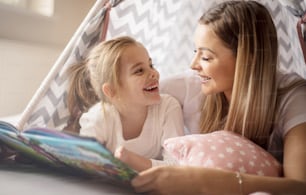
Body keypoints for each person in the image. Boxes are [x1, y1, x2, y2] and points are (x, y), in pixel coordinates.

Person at [131, 1, 306, 194]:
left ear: (246, 60)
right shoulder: (192, 85)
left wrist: (209, 181)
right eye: (195, 51)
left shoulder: (293, 97)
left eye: (206, 57)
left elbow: (300, 186)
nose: (193, 65)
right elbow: (130, 95)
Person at [66, 36, 184, 172]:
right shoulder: (98, 118)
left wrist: (132, 160)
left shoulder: (168, 107)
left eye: (151, 65)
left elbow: (178, 167)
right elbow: (85, 164)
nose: (154, 73)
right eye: (139, 70)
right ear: (112, 90)